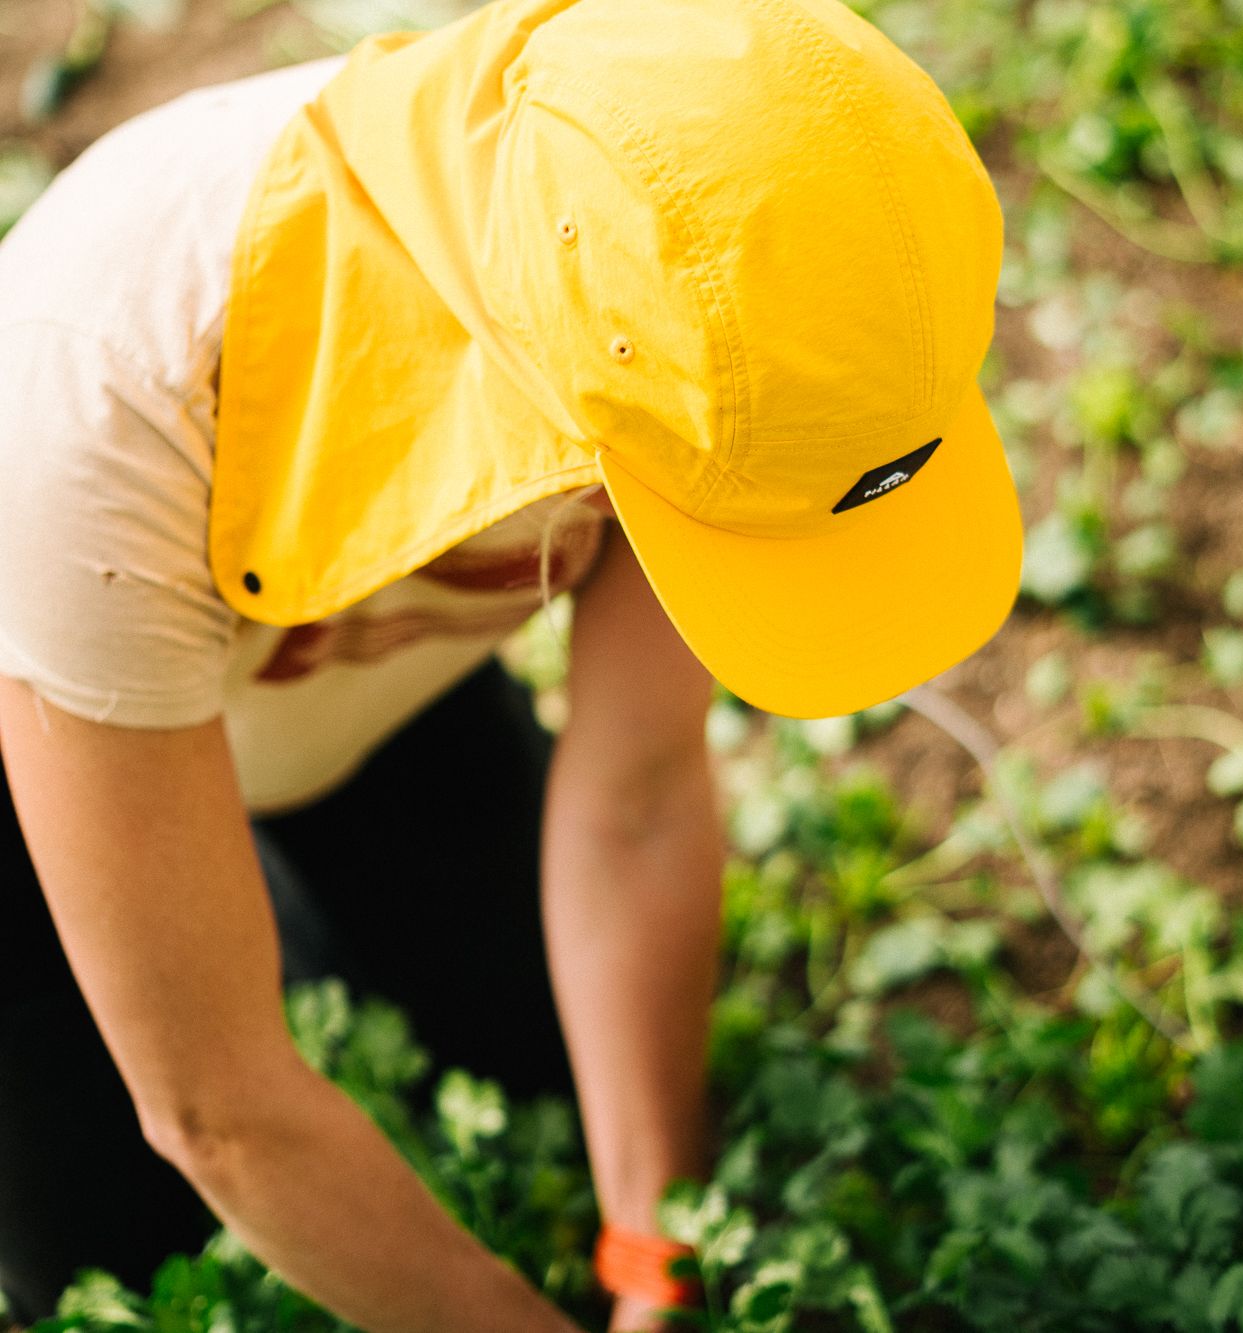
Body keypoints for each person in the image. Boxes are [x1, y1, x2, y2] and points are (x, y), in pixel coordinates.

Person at [0, 0, 1024, 1328]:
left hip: (356, 687)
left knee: (540, 1058)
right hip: (46, 744)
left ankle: (265, 882)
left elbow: (642, 790)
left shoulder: (785, 298)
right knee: (122, 1252)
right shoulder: (105, 392)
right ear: (551, 376)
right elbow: (215, 1104)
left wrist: (650, 1249)